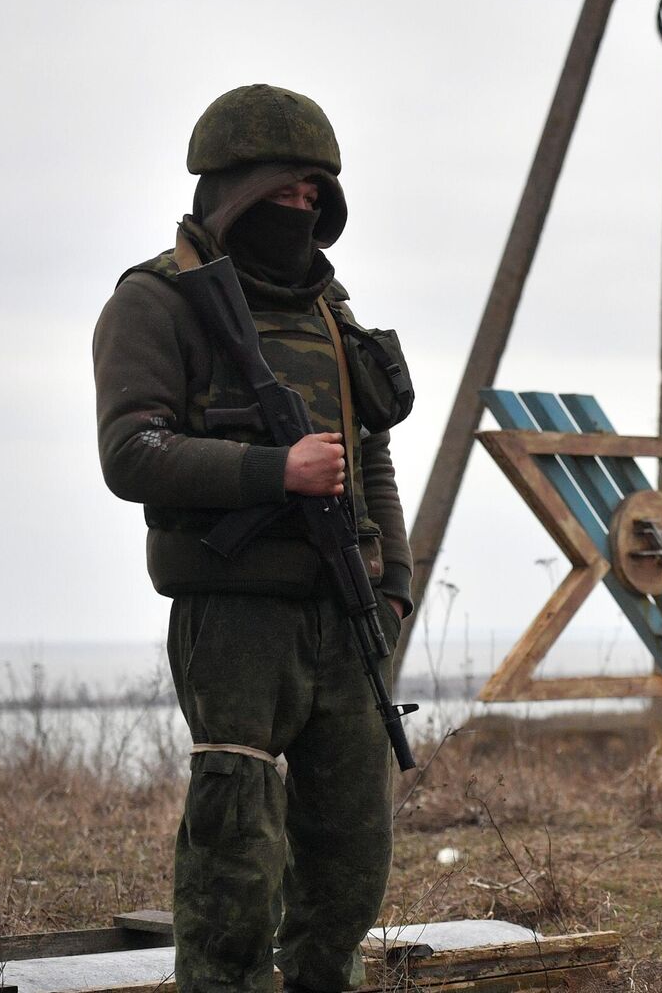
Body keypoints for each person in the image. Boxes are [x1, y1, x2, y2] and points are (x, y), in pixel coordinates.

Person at [92, 84, 414, 992]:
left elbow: (370, 455)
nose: (303, 209)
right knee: (236, 860)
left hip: (347, 616)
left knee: (352, 856)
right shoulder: (158, 302)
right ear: (232, 189)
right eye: (284, 193)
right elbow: (131, 453)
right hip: (235, 619)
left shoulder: (330, 309)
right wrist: (273, 473)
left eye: (316, 195)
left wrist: (397, 583)